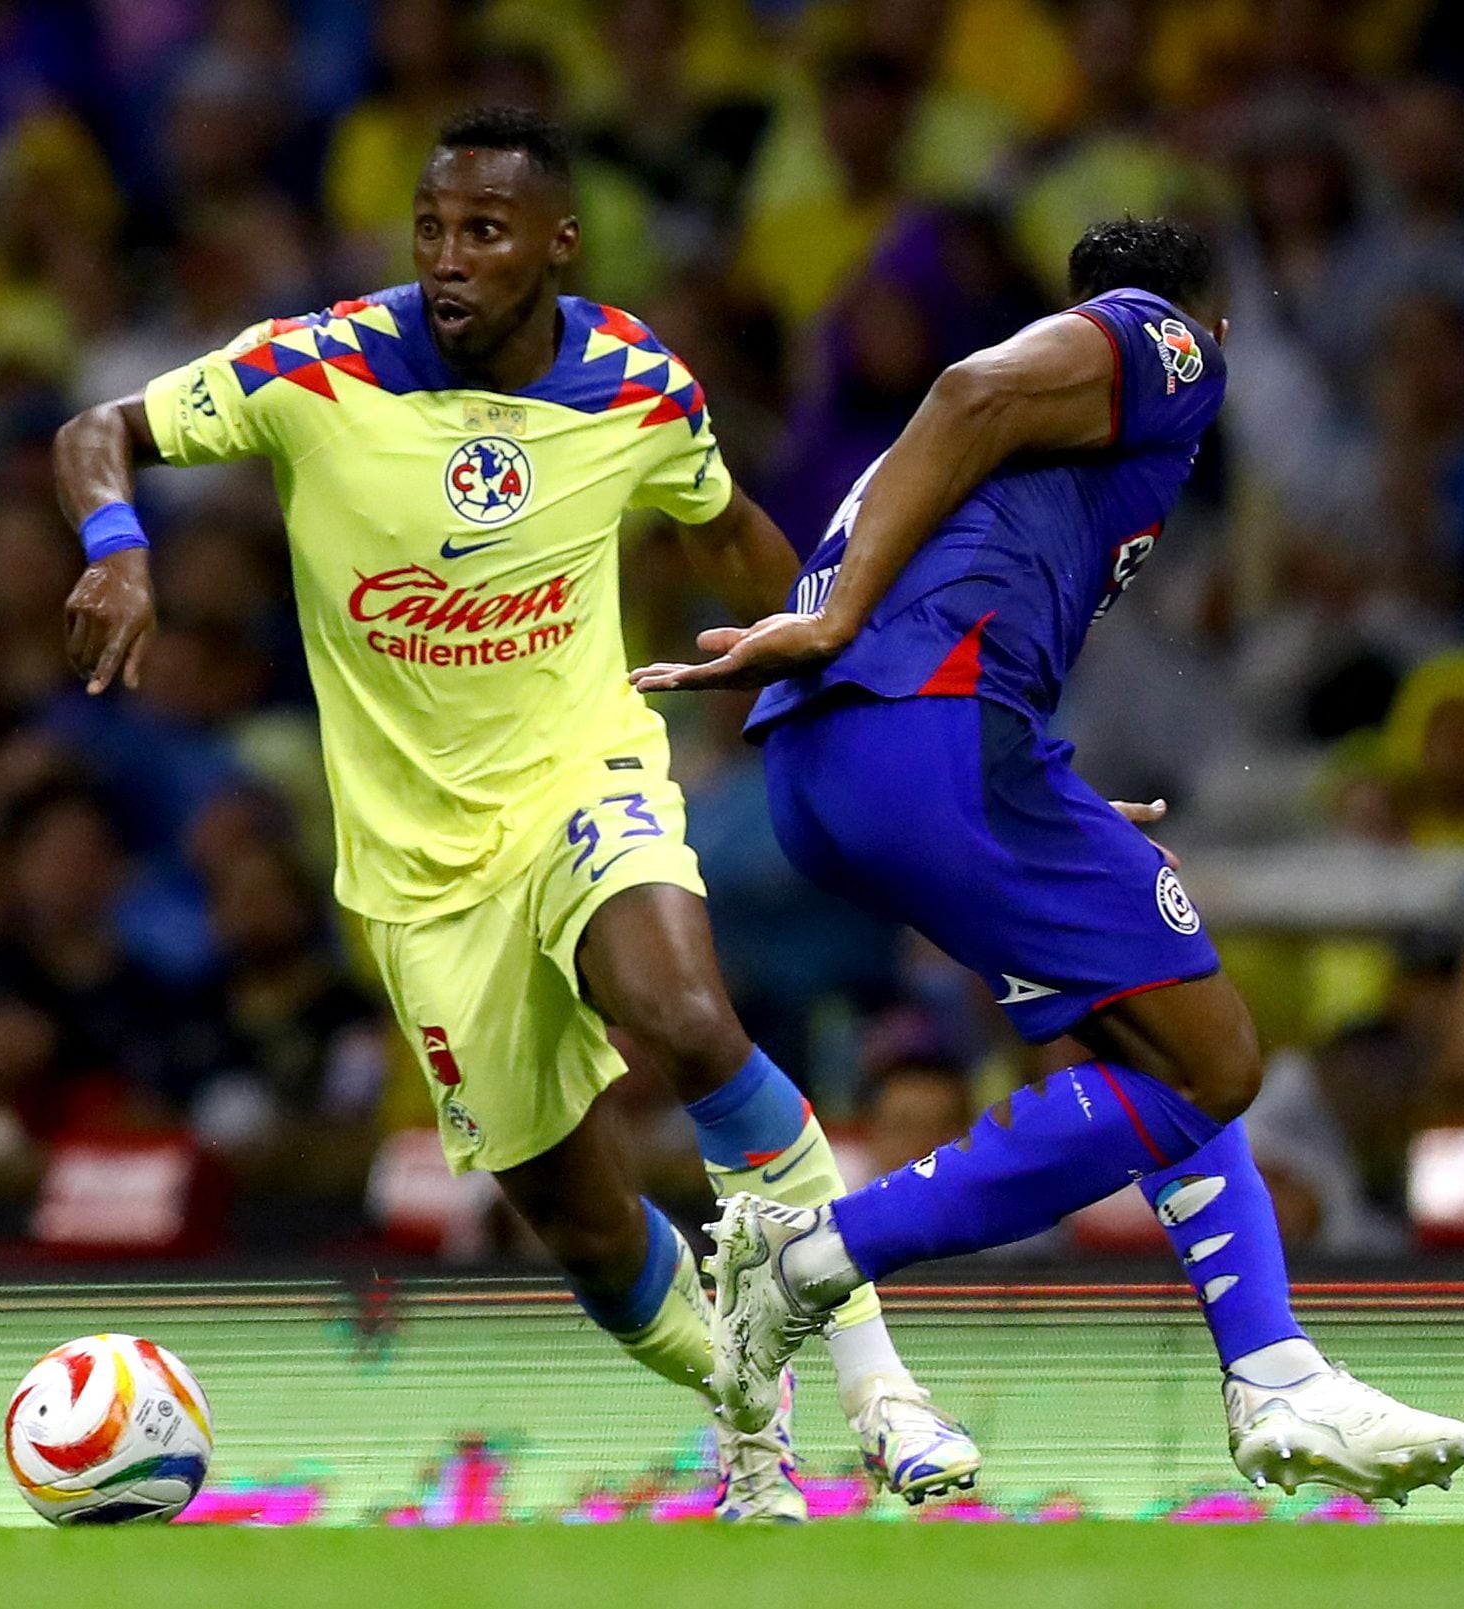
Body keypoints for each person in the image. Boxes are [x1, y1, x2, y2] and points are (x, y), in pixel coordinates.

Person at [51, 106, 974, 1521]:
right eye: (431, 229)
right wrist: (116, 542)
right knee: (590, 1226)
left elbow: (727, 528)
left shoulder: (634, 384)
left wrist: (827, 663)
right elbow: (97, 428)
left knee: (684, 1015)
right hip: (420, 875)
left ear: (559, 243)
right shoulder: (319, 364)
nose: (448, 259)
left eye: (482, 231)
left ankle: (882, 1388)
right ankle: (755, 1417)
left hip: (584, 779)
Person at [635, 217, 1464, 1506]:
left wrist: (1048, 793)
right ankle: (810, 1259)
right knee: (1217, 1060)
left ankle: (1271, 1367)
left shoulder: (1037, 427)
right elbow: (967, 391)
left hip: (864, 764)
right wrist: (845, 619)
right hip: (924, 737)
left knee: (1153, 1030)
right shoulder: (1166, 342)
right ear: (1211, 325)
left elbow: (971, 538)